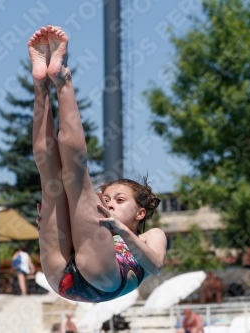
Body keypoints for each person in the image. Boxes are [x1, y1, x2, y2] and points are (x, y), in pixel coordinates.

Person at [29, 25, 167, 303]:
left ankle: (61, 80)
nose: (110, 203)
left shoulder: (153, 234)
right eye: (107, 198)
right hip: (62, 277)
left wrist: (122, 230)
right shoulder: (101, 221)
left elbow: (155, 265)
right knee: (54, 176)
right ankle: (44, 84)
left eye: (119, 199)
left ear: (140, 213)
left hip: (98, 278)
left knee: (70, 178)